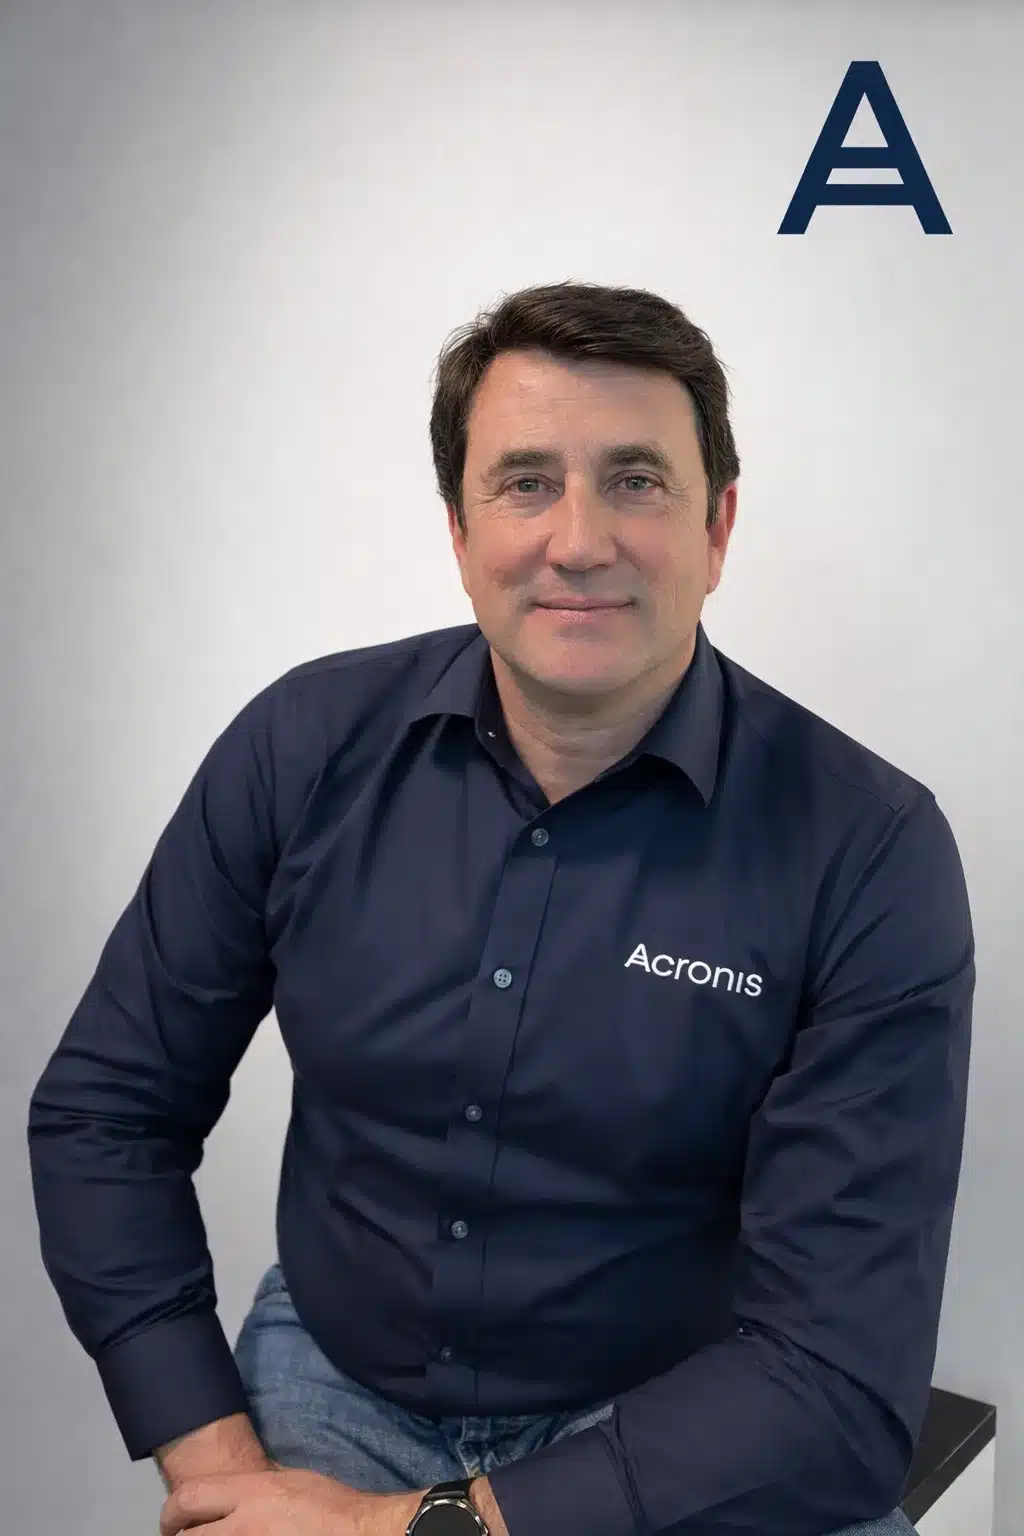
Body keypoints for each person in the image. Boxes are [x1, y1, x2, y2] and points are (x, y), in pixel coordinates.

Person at [28, 280, 974, 1536]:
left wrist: (409, 1529)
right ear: (459, 529)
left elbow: (837, 1376)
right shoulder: (299, 747)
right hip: (334, 1385)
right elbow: (106, 1112)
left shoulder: (869, 849)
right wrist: (215, 1466)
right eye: (526, 482)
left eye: (635, 480)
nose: (578, 540)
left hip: (679, 1425)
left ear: (717, 528)